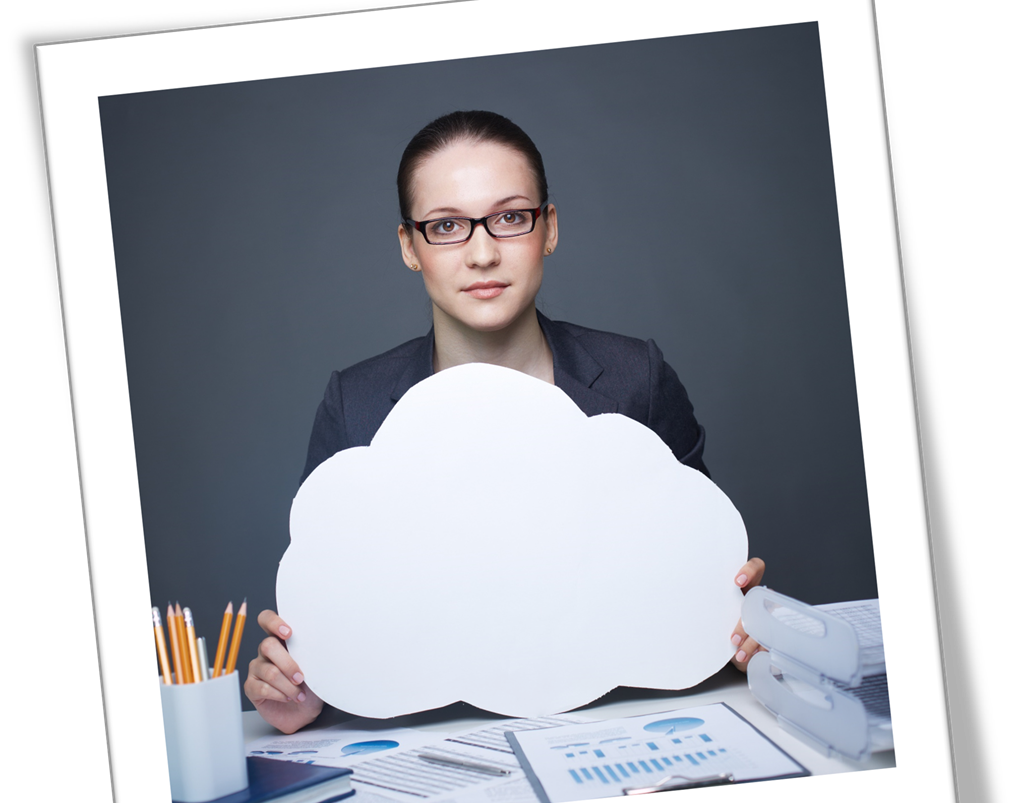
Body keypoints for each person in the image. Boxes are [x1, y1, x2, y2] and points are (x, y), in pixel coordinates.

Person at [245, 111, 765, 734]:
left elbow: (693, 579)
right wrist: (306, 686)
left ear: (549, 228)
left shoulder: (636, 379)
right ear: (409, 246)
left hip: (620, 730)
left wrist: (737, 622)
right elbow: (344, 620)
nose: (483, 253)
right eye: (446, 226)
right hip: (439, 747)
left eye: (511, 218)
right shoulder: (356, 405)